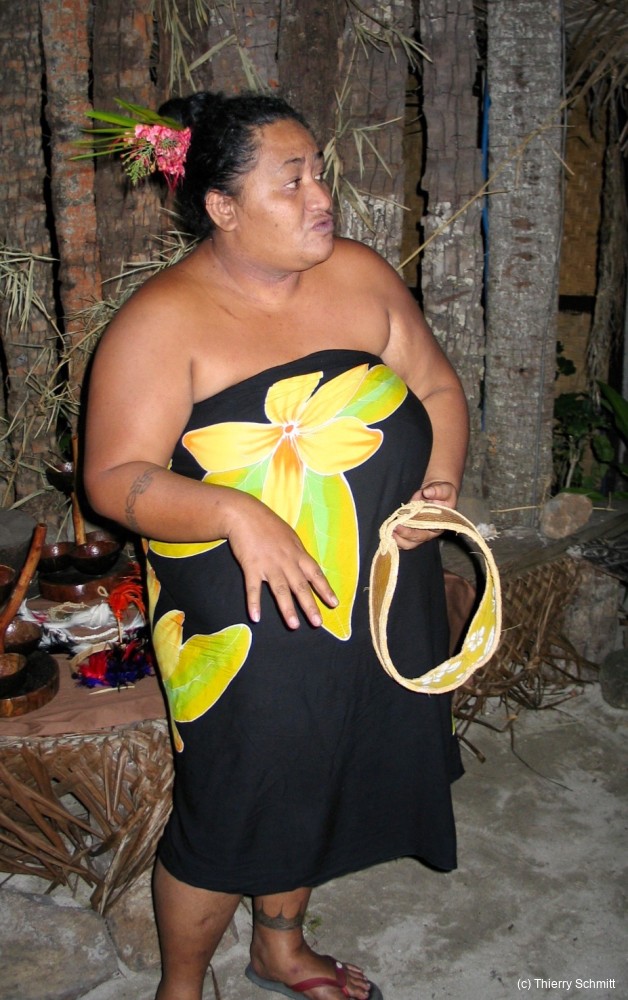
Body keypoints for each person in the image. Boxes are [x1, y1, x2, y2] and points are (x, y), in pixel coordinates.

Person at [84, 91, 469, 1000]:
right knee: (238, 800)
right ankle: (181, 989)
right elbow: (112, 478)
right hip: (244, 607)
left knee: (328, 767)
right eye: (291, 181)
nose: (321, 197)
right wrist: (235, 513)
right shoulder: (163, 321)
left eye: (319, 173)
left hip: (375, 587)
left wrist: (440, 486)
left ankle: (280, 947)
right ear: (223, 207)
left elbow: (437, 389)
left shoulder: (362, 277)